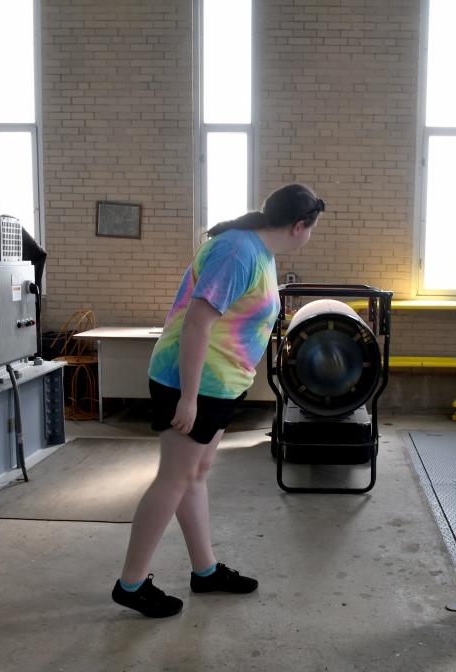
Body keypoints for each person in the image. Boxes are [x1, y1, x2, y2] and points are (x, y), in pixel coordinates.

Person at [112, 183, 325, 618]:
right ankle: (130, 584)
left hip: (219, 384)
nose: (310, 237)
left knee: (195, 473)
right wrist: (188, 398)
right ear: (300, 225)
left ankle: (204, 571)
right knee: (173, 479)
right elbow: (196, 324)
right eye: (312, 230)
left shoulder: (258, 252)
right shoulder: (237, 252)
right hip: (191, 383)